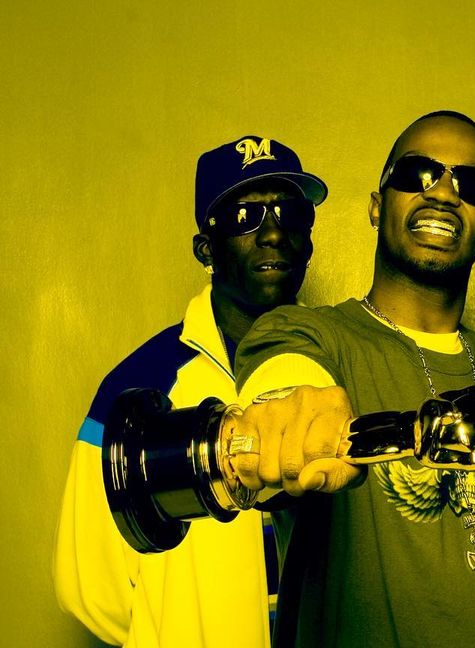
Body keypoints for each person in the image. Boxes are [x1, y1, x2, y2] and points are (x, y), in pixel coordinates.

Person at [226, 111, 475, 647]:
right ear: (377, 206)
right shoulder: (307, 335)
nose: (442, 192)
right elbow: (286, 388)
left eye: (471, 184)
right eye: (418, 173)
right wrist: (289, 413)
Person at [54, 136, 327, 647]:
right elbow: (89, 587)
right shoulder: (141, 387)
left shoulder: (338, 366)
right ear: (207, 249)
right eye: (246, 217)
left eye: (290, 213)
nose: (273, 234)